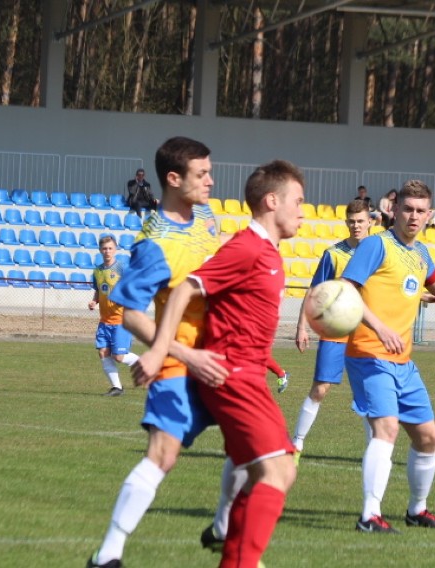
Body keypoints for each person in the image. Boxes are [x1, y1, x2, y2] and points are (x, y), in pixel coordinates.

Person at [134, 159, 305, 568]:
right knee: (278, 473)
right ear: (271, 201)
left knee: (266, 472)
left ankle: (233, 559)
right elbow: (184, 291)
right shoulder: (246, 247)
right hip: (232, 376)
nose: (303, 210)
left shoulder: (269, 254)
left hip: (248, 377)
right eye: (298, 201)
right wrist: (160, 350)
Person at [86, 137, 239, 568]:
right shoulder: (153, 242)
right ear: (174, 179)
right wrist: (182, 355)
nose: (211, 180)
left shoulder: (208, 216)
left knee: (249, 446)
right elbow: (131, 314)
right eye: (202, 174)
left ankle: (223, 529)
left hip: (222, 359)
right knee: (163, 455)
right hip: (180, 362)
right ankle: (108, 554)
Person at [341, 179, 435, 534]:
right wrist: (379, 328)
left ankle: (417, 510)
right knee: (387, 428)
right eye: (407, 209)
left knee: (428, 437)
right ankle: (369, 515)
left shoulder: (421, 253)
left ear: (429, 215)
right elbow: (347, 292)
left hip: (403, 362)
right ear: (393, 210)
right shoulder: (375, 245)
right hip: (369, 353)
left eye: (420, 211)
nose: (413, 216)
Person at [291, 199, 374, 462]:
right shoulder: (333, 254)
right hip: (336, 330)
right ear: (346, 222)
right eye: (352, 221)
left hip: (366, 332)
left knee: (369, 394)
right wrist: (301, 326)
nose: (356, 225)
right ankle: (297, 442)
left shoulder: (378, 252)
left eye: (361, 221)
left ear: (370, 221)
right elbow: (314, 291)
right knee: (321, 388)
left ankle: (374, 449)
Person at [89, 235, 140, 396]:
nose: (107, 251)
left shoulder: (122, 268)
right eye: (104, 248)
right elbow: (99, 290)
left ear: (115, 249)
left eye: (110, 248)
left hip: (121, 321)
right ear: (100, 250)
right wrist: (94, 301)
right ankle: (117, 388)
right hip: (104, 321)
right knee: (103, 352)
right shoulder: (97, 271)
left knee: (119, 356)